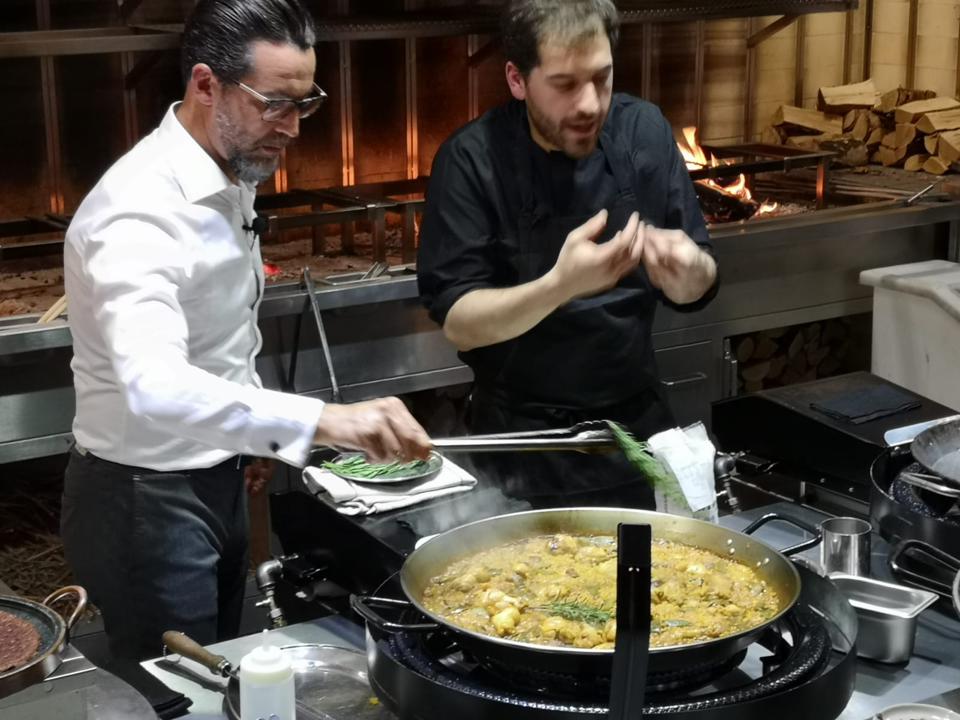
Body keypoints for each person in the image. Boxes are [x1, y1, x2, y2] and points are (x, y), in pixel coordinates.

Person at [60, 0, 431, 662]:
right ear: (206, 84)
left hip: (216, 478)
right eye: (273, 104)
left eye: (304, 103)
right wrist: (326, 421)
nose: (291, 128)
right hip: (144, 502)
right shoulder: (138, 213)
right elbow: (157, 387)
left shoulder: (227, 167)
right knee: (176, 698)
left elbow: (214, 330)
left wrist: (250, 435)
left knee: (223, 668)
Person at [417, 0, 717, 509]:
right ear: (517, 79)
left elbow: (698, 283)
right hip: (525, 446)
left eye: (602, 78)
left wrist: (690, 273)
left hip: (639, 434)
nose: (589, 104)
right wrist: (561, 285)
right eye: (564, 84)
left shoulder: (642, 131)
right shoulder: (471, 160)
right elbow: (460, 322)